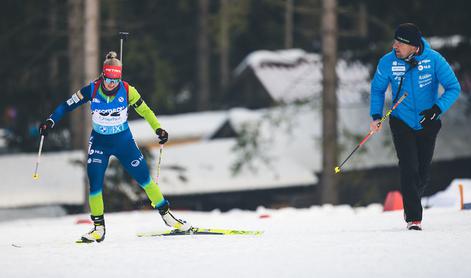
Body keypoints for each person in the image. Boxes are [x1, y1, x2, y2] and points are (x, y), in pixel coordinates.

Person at [39, 51, 192, 242]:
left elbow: (145, 110)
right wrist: (50, 121)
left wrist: (158, 129)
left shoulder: (128, 90)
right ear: (103, 76)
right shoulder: (92, 90)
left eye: (116, 80)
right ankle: (98, 228)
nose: (112, 84)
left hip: (123, 142)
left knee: (145, 179)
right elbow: (66, 105)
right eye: (109, 79)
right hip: (99, 143)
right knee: (94, 182)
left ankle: (169, 218)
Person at [369, 23, 461, 230]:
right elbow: (377, 90)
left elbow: (453, 88)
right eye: (395, 41)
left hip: (428, 122)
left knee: (422, 173)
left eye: (400, 43)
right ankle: (413, 218)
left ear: (413, 46)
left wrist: (437, 109)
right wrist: (376, 116)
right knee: (408, 167)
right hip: (401, 121)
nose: (395, 46)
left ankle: (412, 197)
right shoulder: (387, 62)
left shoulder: (434, 60)